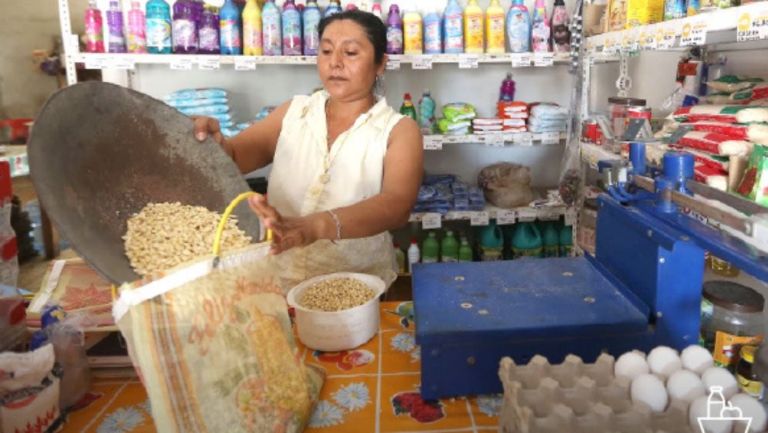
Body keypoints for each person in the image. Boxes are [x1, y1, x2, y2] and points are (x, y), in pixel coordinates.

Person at [194, 10, 423, 291]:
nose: (335, 62)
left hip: (356, 282)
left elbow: (397, 205)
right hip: (279, 276)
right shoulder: (294, 112)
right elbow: (236, 157)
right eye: (326, 51)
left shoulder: (399, 129)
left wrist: (315, 227)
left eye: (350, 52)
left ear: (380, 64)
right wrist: (212, 145)